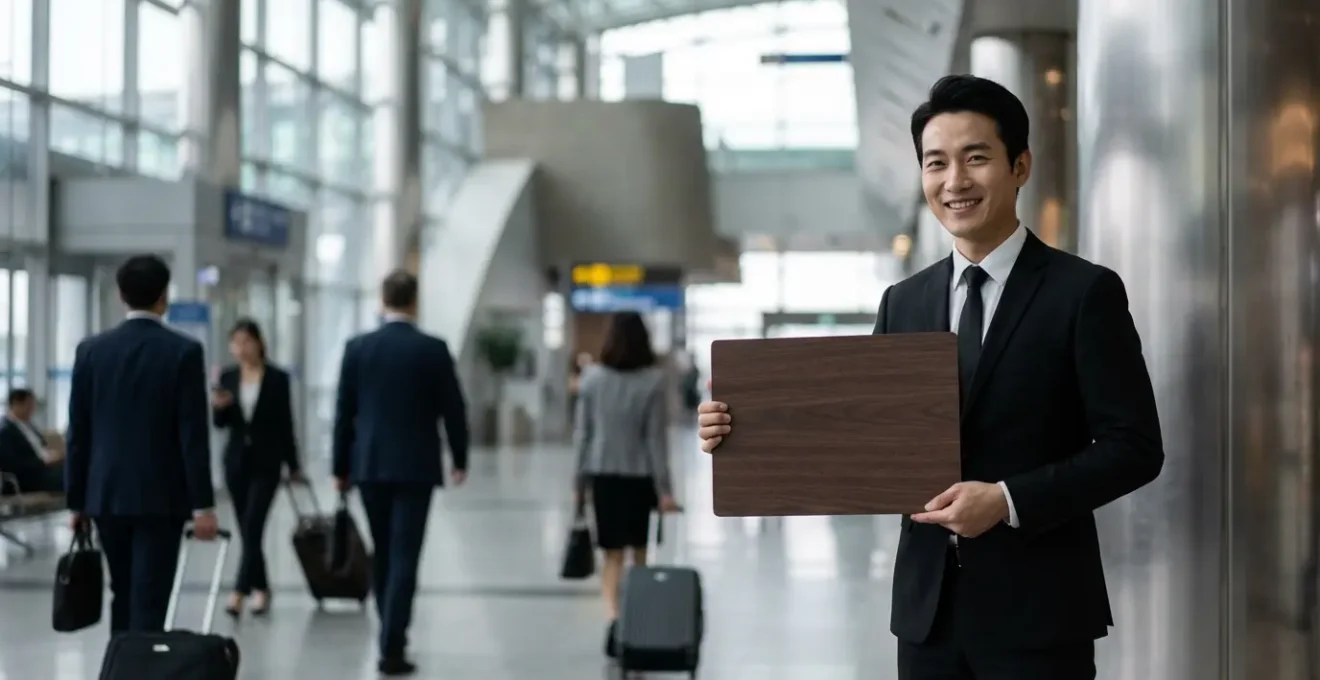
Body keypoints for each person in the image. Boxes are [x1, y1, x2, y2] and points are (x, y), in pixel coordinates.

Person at [697, 75, 1166, 680]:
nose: (955, 182)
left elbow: (1135, 449)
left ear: (1019, 165)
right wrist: (742, 433)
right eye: (935, 163)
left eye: (976, 159)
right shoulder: (904, 302)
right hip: (927, 617)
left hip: (1040, 617)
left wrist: (1006, 500)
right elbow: (862, 437)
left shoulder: (1082, 293)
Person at [65, 254, 219, 635]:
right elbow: (192, 434)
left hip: (106, 495)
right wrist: (203, 505)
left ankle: (122, 668)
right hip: (161, 498)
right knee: (152, 596)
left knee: (123, 592)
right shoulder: (183, 351)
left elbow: (78, 431)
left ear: (121, 295)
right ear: (163, 297)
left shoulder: (92, 351)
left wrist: (76, 500)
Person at [333, 269, 470, 677]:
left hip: (370, 465)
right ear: (414, 301)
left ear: (383, 300)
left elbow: (345, 414)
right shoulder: (432, 349)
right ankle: (393, 643)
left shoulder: (358, 348)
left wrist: (340, 468)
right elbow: (453, 409)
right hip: (416, 465)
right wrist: (460, 458)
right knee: (405, 554)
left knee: (383, 551)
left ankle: (389, 629)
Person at [572, 311, 680, 657]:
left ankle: (615, 619)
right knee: (640, 554)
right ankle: (639, 621)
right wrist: (665, 490)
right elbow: (655, 441)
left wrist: (577, 481)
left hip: (602, 476)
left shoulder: (591, 379)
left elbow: (582, 436)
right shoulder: (653, 381)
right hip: (640, 478)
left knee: (612, 556)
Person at [211, 318, 302, 618]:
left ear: (259, 342)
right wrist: (219, 408)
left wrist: (294, 464)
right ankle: (261, 587)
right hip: (236, 462)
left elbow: (285, 423)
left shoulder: (277, 378)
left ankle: (239, 592)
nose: (241, 348)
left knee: (253, 525)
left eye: (246, 341)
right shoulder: (227, 377)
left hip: (267, 462)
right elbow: (221, 425)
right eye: (236, 342)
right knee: (247, 530)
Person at [0, 388, 64, 494]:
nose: (32, 409)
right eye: (28, 405)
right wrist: (43, 462)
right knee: (73, 479)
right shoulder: (5, 431)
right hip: (29, 476)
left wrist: (52, 455)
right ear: (16, 403)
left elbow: (41, 448)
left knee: (77, 471)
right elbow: (11, 464)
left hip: (45, 470)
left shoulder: (29, 426)